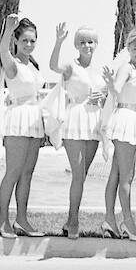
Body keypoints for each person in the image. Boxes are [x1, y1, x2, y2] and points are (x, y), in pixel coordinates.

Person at [47, 23, 108, 239]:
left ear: (96, 44)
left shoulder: (100, 70)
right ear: (76, 44)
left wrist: (102, 97)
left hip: (93, 122)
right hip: (75, 121)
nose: (86, 45)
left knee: (82, 175)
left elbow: (107, 94)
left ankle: (70, 219)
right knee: (78, 174)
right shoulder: (71, 66)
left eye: (90, 41)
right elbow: (53, 66)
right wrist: (58, 42)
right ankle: (73, 221)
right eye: (82, 42)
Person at [0, 15, 45, 237]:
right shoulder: (12, 64)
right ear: (16, 40)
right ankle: (2, 220)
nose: (29, 45)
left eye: (33, 41)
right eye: (25, 40)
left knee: (27, 173)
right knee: (13, 172)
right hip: (17, 120)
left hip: (34, 119)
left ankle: (21, 219)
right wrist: (7, 29)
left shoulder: (33, 66)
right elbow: (3, 50)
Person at [103, 28, 136, 239]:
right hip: (126, 119)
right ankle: (128, 223)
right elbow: (116, 89)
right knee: (126, 177)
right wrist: (109, 82)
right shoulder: (126, 68)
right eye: (135, 47)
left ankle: (109, 220)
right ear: (128, 48)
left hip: (133, 120)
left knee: (116, 174)